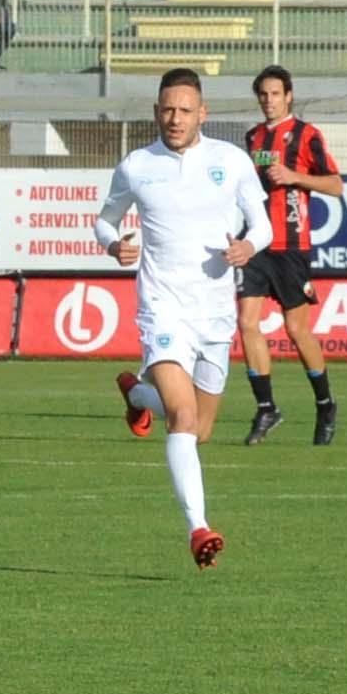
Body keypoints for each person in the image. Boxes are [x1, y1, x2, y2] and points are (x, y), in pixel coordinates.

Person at [96, 69, 267, 571]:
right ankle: (198, 528)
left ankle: (135, 394)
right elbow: (105, 218)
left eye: (185, 110)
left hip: (214, 313)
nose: (175, 119)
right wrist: (113, 244)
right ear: (156, 112)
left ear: (202, 114)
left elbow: (264, 224)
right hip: (163, 308)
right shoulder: (136, 165)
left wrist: (247, 246)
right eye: (167, 109)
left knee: (202, 429)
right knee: (183, 418)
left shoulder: (230, 161)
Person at [236, 65, 341, 446]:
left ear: (289, 95)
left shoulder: (307, 135)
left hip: (292, 247)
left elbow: (336, 184)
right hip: (257, 245)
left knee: (297, 330)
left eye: (275, 93)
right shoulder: (253, 138)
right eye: (263, 94)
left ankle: (326, 403)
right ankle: (266, 407)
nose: (268, 100)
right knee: (247, 322)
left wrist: (296, 177)